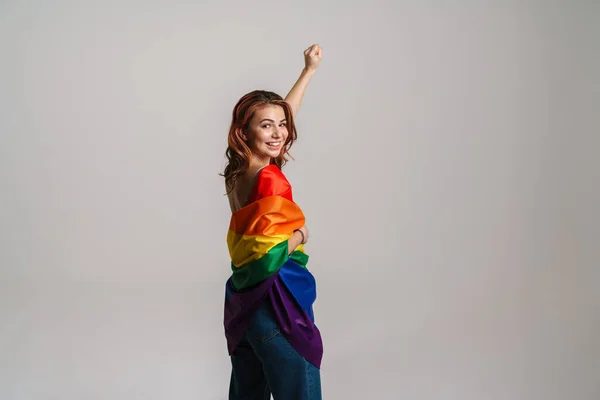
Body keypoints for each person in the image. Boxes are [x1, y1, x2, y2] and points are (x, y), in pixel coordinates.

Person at [221, 44, 323, 400]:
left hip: (244, 306)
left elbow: (280, 119)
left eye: (282, 125)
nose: (279, 132)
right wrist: (299, 235)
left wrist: (308, 71)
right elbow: (269, 256)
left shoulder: (238, 172)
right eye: (267, 125)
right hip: (276, 304)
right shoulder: (270, 178)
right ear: (245, 130)